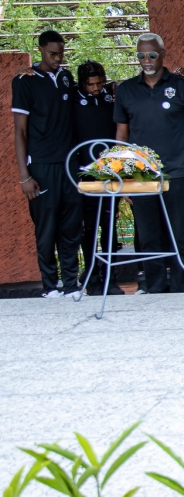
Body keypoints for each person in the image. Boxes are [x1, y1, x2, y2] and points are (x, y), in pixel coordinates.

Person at [114, 33, 184, 293]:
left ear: (163, 54)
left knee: (179, 235)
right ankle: (154, 289)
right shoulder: (126, 90)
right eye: (141, 55)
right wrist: (124, 177)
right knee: (149, 236)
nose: (146, 60)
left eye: (152, 54)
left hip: (177, 173)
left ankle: (179, 288)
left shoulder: (183, 87)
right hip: (141, 176)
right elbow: (121, 137)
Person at [13, 30, 82, 298]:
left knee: (70, 227)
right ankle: (50, 286)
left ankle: (72, 285)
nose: (57, 59)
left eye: (61, 54)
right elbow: (20, 131)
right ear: (40, 49)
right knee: (46, 228)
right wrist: (24, 175)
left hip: (69, 164)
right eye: (52, 54)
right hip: (41, 165)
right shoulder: (24, 81)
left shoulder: (66, 77)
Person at [72, 60, 122, 296]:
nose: (96, 87)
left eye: (99, 82)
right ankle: (91, 275)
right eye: (91, 84)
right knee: (89, 227)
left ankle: (109, 277)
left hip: (110, 171)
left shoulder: (110, 98)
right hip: (84, 172)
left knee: (109, 226)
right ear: (82, 83)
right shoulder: (71, 99)